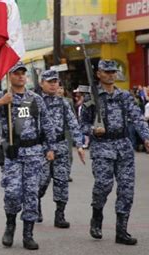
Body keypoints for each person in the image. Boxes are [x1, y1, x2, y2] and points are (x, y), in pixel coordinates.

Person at [0, 62, 56, 250]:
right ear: (9, 76)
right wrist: (0, 103)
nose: (20, 76)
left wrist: (50, 148)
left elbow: (47, 124)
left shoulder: (35, 99)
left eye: (23, 74)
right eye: (16, 73)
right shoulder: (3, 97)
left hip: (34, 153)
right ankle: (10, 224)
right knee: (12, 193)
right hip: (13, 153)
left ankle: (28, 234)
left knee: (31, 194)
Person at [81, 60, 149, 246]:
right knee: (103, 186)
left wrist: (146, 138)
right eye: (107, 71)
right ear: (99, 74)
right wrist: (93, 130)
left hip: (123, 145)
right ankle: (96, 216)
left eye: (113, 71)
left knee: (127, 190)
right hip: (102, 146)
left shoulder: (124, 95)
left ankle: (121, 231)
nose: (111, 74)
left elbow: (137, 117)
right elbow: (82, 125)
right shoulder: (91, 97)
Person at [37, 70, 85, 228]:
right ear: (41, 83)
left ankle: (60, 214)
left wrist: (79, 144)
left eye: (55, 81)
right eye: (49, 81)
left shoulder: (63, 103)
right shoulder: (32, 102)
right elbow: (22, 123)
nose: (53, 84)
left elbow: (73, 123)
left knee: (62, 180)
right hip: (40, 148)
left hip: (61, 146)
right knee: (41, 181)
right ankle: (35, 204)